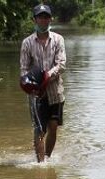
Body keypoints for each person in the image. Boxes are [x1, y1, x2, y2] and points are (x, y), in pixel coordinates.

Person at [20, 4, 67, 162]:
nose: (43, 20)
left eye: (46, 17)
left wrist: (48, 75)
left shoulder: (58, 40)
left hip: (55, 92)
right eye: (40, 17)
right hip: (36, 94)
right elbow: (24, 68)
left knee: (53, 127)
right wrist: (28, 84)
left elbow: (61, 64)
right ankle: (41, 165)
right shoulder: (27, 43)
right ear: (35, 20)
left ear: (50, 19)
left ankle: (47, 158)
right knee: (39, 129)